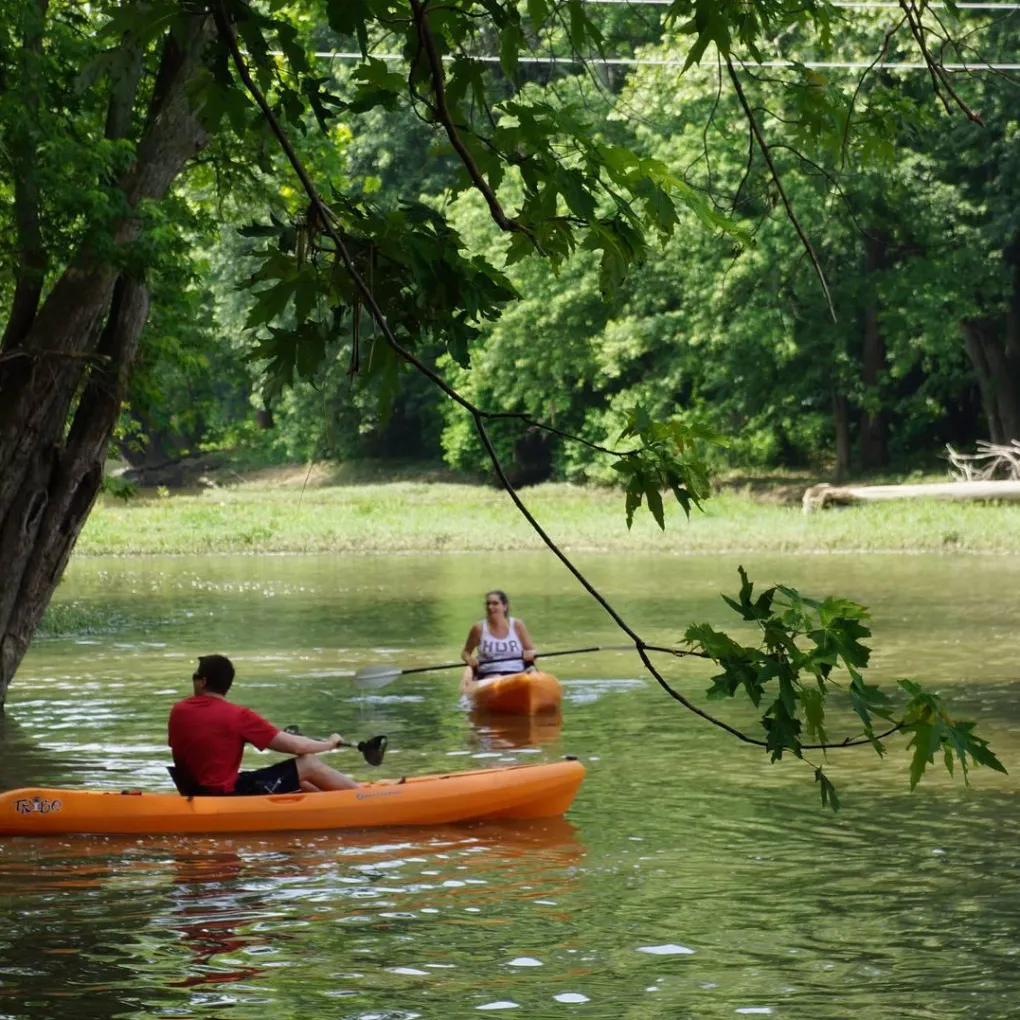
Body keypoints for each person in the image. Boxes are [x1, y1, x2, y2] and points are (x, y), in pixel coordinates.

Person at [167, 654, 359, 795]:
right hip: (222, 795)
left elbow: (207, 742)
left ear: (203, 682)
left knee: (303, 782)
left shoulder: (178, 710)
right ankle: (361, 798)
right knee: (309, 764)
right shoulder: (239, 716)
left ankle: (331, 807)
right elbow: (298, 747)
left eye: (195, 675)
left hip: (193, 791)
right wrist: (331, 743)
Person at [461, 590, 536, 686]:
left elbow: (532, 650)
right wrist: (469, 659)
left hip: (518, 672)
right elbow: (465, 653)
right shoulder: (478, 628)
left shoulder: (517, 625)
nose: (490, 607)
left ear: (505, 606)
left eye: (495, 604)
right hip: (490, 674)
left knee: (531, 672)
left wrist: (530, 654)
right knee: (496, 678)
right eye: (488, 604)